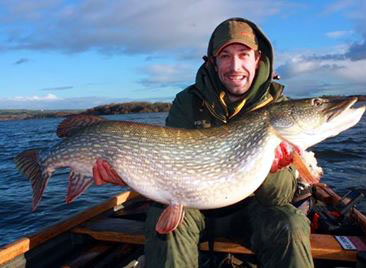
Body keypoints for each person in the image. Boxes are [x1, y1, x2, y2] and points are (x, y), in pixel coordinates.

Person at [93, 17, 314, 268]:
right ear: (212, 62)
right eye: (225, 56)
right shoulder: (187, 102)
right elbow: (166, 172)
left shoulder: (279, 109)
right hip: (193, 206)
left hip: (255, 210)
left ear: (257, 59)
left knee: (292, 224)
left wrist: (274, 170)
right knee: (164, 226)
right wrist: (125, 173)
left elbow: (280, 197)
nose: (235, 66)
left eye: (244, 54)